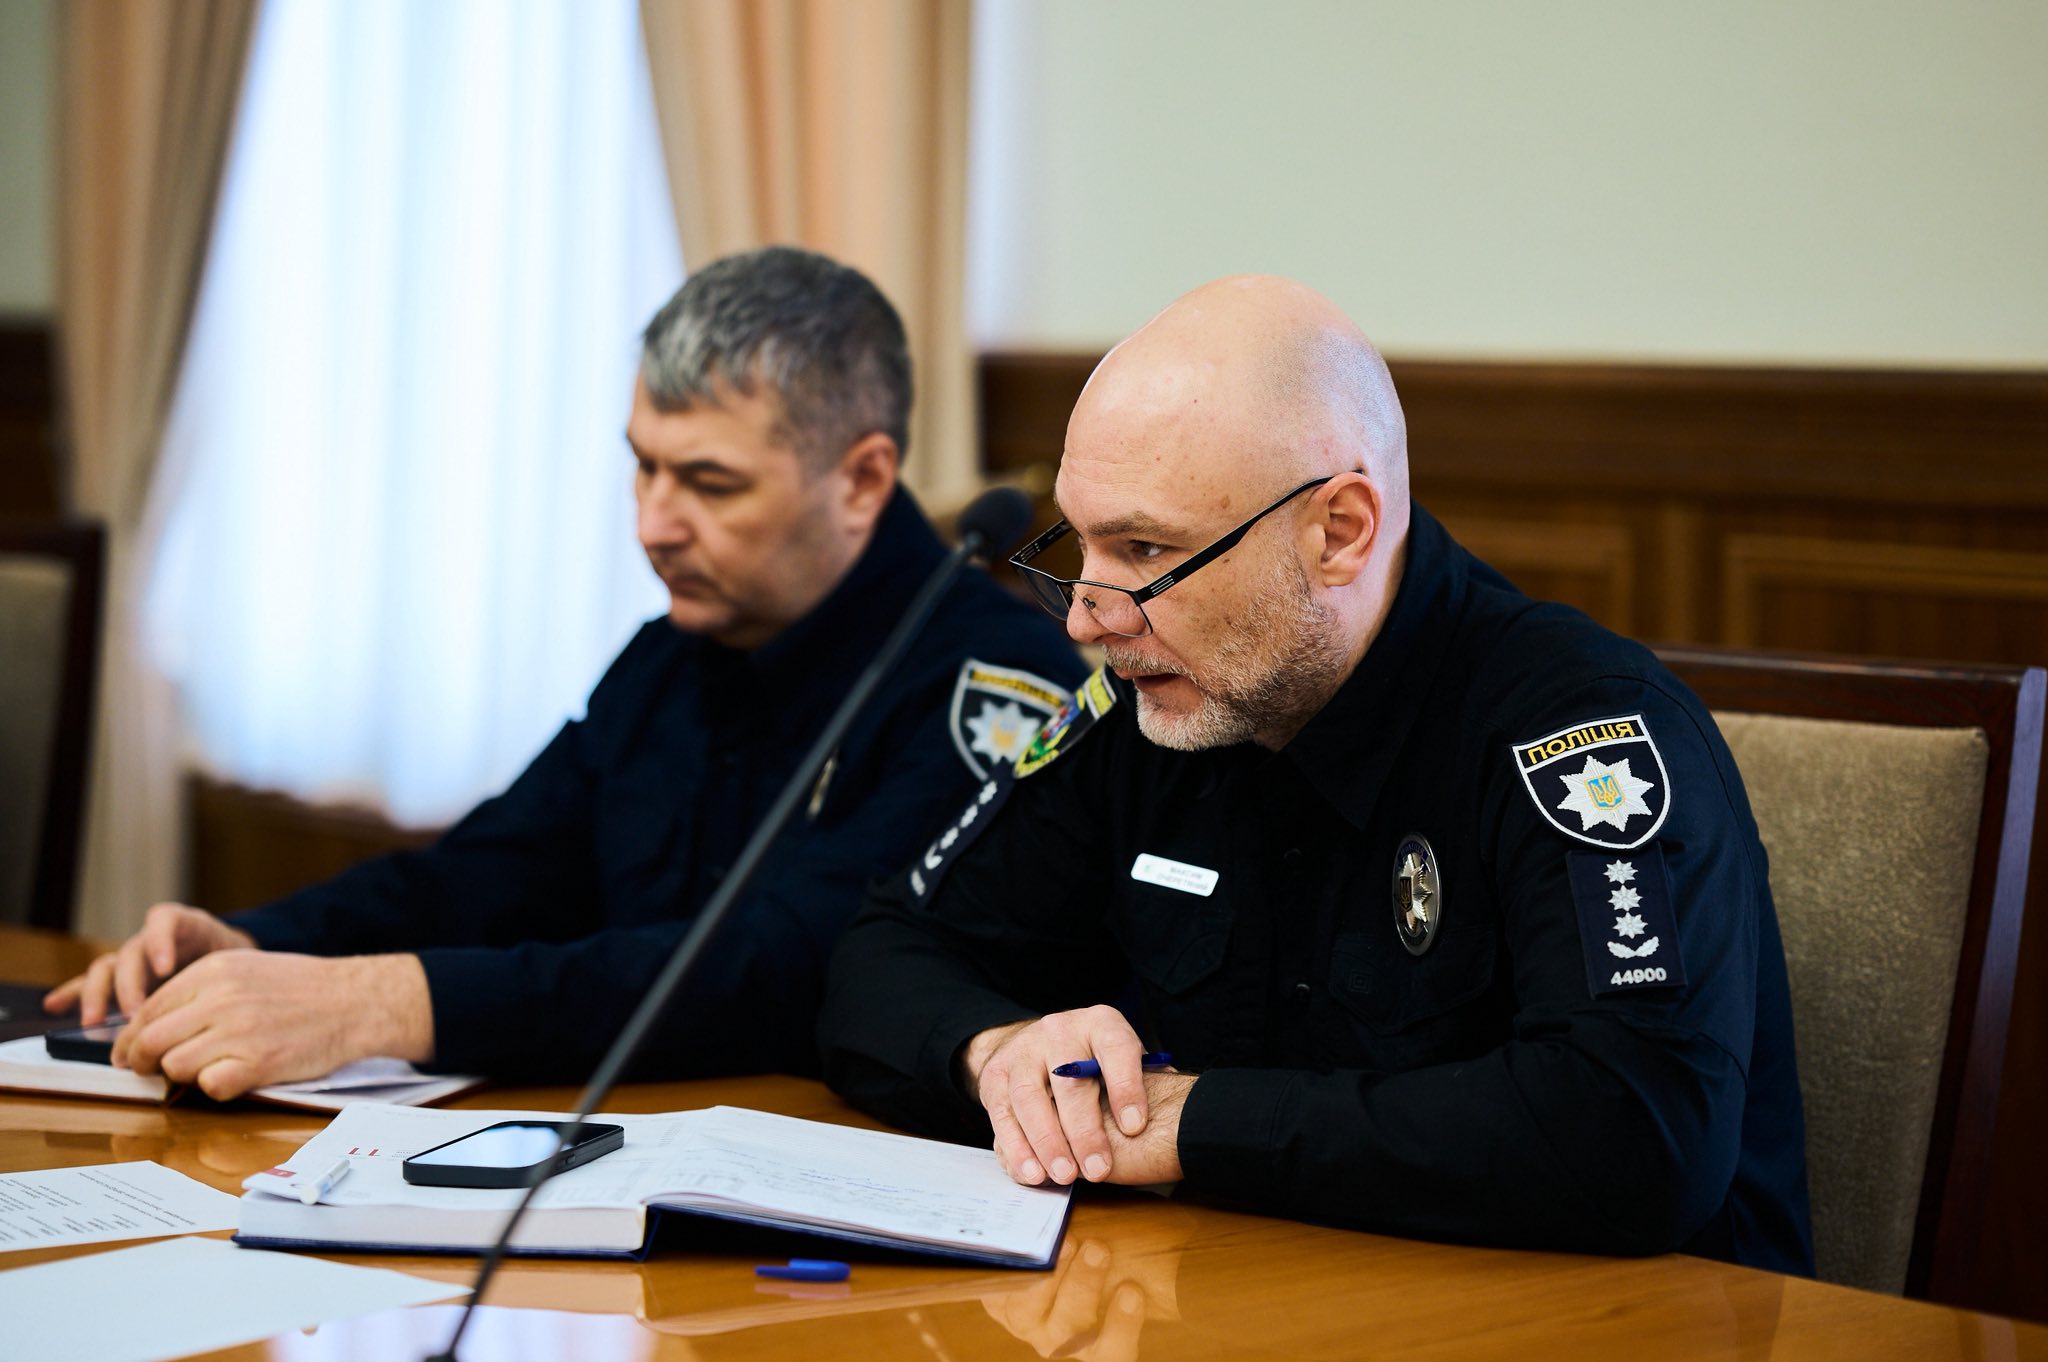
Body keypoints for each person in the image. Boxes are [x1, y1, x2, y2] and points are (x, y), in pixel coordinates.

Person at [818, 274, 1814, 1272]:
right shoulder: (1152, 703)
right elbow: (882, 956)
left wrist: (1189, 1121)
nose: (1086, 616)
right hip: (1258, 1294)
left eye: (1144, 549)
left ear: (1339, 532)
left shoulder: (1576, 732)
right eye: (1079, 544)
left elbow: (1636, 1131)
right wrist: (1000, 1056)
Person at [47, 246, 1083, 1099]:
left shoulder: (995, 682)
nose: (652, 524)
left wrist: (383, 1005)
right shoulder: (673, 651)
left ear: (860, 479)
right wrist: (259, 942)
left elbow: (786, 970)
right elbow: (492, 868)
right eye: (643, 465)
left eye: (709, 483)